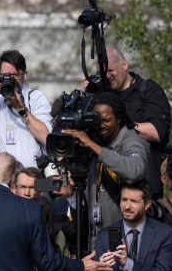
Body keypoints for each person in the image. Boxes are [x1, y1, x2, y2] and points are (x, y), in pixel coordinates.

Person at [58, 92, 149, 227]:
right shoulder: (93, 137)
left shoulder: (131, 140)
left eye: (107, 120)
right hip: (96, 234)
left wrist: (92, 145)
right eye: (97, 120)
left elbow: (134, 171)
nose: (101, 125)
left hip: (124, 234)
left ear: (118, 118)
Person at [105, 46, 172, 198]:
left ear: (124, 65)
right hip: (109, 191)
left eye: (110, 70)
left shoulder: (149, 90)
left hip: (145, 186)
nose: (107, 76)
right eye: (103, 73)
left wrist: (115, 127)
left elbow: (155, 131)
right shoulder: (101, 97)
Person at [0, 49, 53, 167]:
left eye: (14, 75)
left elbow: (47, 138)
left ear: (25, 74)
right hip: (4, 174)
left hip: (31, 174)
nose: (10, 80)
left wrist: (21, 109)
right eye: (6, 76)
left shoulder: (35, 97)